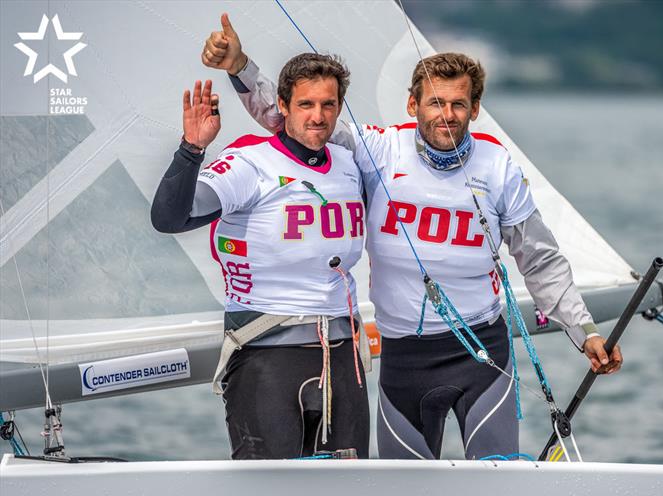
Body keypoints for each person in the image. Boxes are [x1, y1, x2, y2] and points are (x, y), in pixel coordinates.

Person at [201, 14, 622, 460]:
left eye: (459, 104)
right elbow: (293, 116)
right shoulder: (377, 152)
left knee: (499, 482)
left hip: (482, 355)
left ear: (475, 109)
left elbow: (540, 260)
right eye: (436, 102)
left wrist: (585, 331)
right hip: (404, 360)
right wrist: (239, 66)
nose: (447, 114)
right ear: (412, 105)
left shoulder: (497, 169)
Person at [150, 52, 369, 460]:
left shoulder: (349, 162)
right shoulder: (250, 163)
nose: (318, 116)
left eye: (328, 104)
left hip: (342, 356)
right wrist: (191, 150)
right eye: (305, 104)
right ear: (282, 106)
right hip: (267, 357)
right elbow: (170, 218)